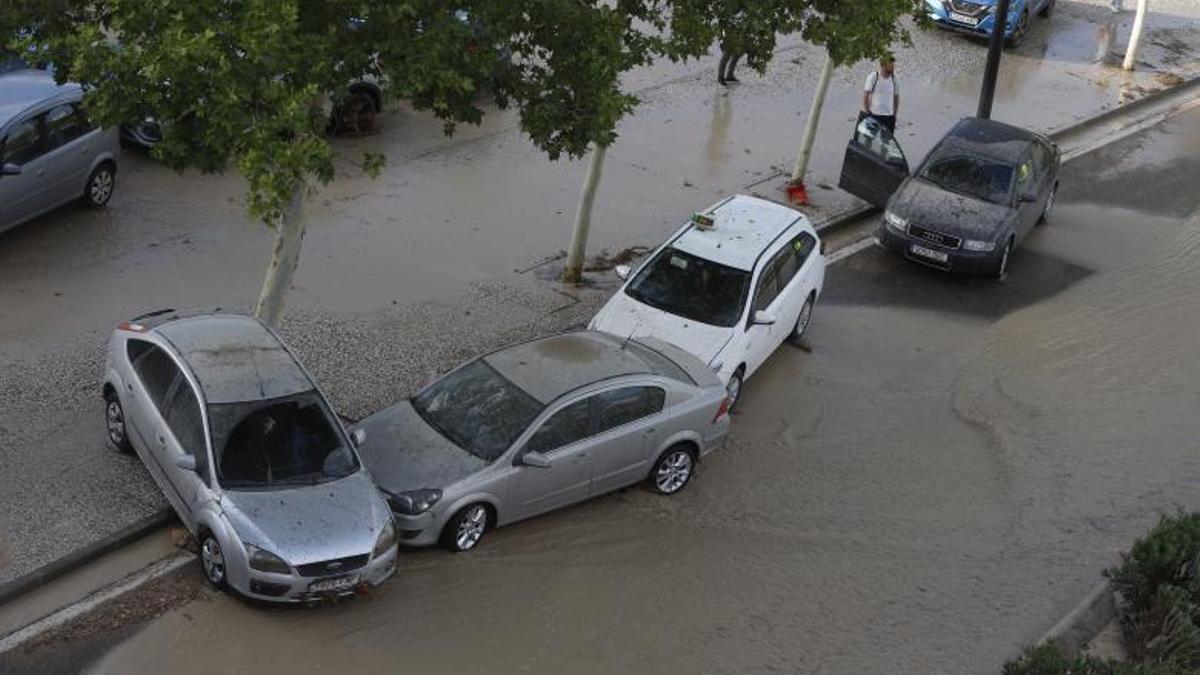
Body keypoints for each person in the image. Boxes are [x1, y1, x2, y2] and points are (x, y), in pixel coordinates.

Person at [862, 56, 899, 133]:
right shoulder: (873, 77)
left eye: (893, 66)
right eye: (890, 66)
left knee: (887, 142)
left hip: (889, 117)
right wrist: (867, 113)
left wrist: (894, 115)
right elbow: (865, 96)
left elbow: (896, 97)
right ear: (883, 65)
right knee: (870, 140)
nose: (893, 68)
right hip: (874, 115)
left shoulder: (895, 78)